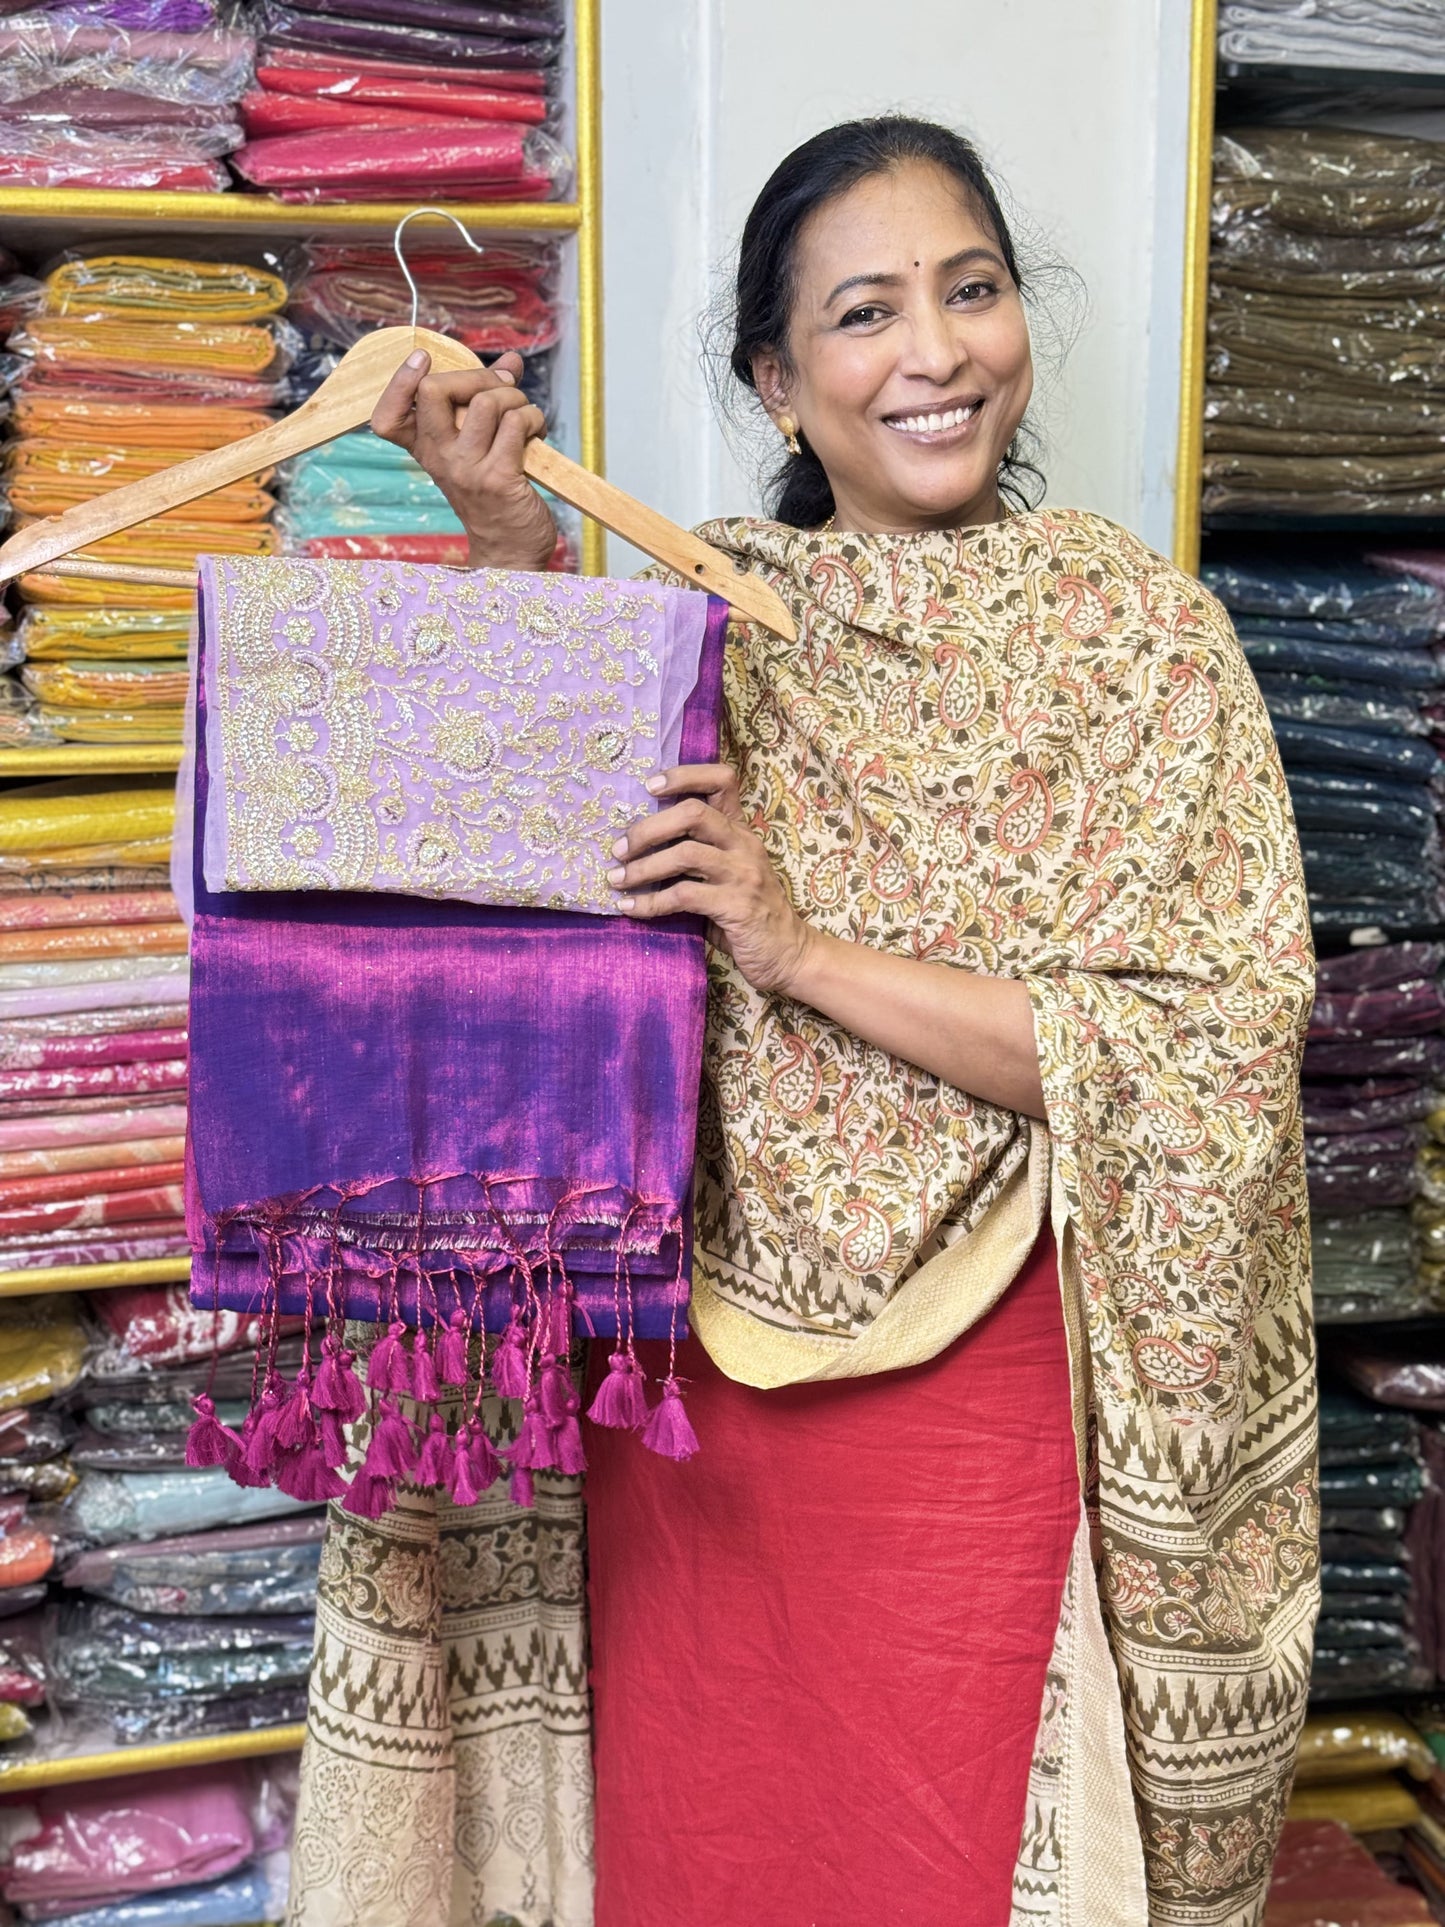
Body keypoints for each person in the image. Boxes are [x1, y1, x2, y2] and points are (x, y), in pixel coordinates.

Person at [364, 117, 1320, 1927]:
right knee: (717, 1834)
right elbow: (512, 885)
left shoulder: (1139, 636)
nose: (934, 353)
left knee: (956, 1853)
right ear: (777, 379)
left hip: (1009, 1385)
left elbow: (1203, 1056)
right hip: (708, 1407)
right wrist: (504, 548)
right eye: (865, 314)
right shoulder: (710, 616)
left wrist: (794, 948)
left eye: (969, 292)